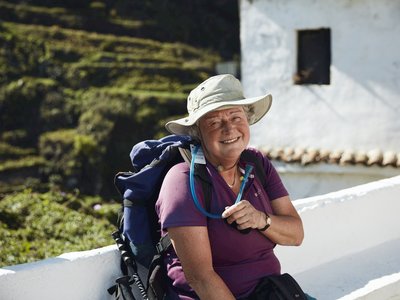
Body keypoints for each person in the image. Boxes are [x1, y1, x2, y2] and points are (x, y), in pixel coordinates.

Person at [155, 74, 304, 300]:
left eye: (236, 117)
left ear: (248, 120)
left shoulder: (256, 163)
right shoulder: (184, 180)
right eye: (214, 122)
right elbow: (200, 277)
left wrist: (261, 219)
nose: (229, 129)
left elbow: (296, 235)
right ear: (198, 133)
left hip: (270, 292)